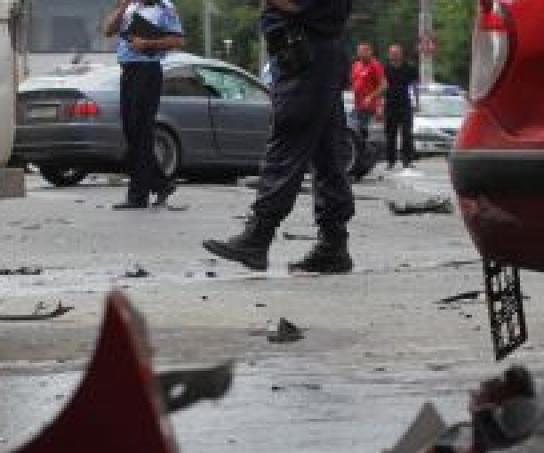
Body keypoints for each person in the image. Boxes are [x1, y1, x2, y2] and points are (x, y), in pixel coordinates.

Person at [202, 0, 356, 275]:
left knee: (288, 144)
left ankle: (258, 236)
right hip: (313, 53)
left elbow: (299, 6)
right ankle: (333, 244)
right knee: (327, 151)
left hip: (307, 56)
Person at [103, 0, 185, 210]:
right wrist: (121, 7)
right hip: (128, 71)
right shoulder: (130, 6)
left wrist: (147, 44)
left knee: (141, 131)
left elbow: (177, 40)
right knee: (132, 132)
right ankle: (161, 183)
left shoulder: (164, 7)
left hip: (147, 70)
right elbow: (107, 31)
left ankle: (138, 196)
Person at [383, 44, 419, 170]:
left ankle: (407, 160)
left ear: (401, 54)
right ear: (389, 55)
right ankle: (390, 160)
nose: (394, 55)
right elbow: (381, 86)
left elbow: (415, 86)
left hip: (405, 104)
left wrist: (417, 102)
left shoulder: (409, 68)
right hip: (390, 105)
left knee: (407, 133)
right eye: (392, 53)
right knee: (390, 134)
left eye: (397, 53)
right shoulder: (385, 68)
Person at [350, 42, 385, 141]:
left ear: (369, 52)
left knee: (363, 133)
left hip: (370, 107)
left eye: (363, 51)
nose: (360, 53)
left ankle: (367, 152)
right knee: (355, 131)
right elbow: (352, 83)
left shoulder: (375, 65)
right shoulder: (355, 65)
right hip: (357, 105)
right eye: (359, 51)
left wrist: (371, 96)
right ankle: (360, 152)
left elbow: (384, 85)